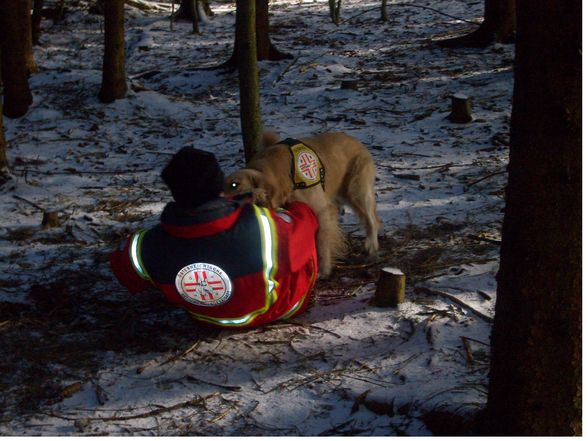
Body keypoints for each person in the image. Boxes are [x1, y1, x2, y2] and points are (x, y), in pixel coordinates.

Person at [110, 147, 319, 328]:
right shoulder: (262, 223)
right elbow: (304, 230)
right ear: (220, 184)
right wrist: (299, 207)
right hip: (279, 308)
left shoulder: (146, 244)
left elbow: (125, 273)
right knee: (299, 241)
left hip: (206, 317)